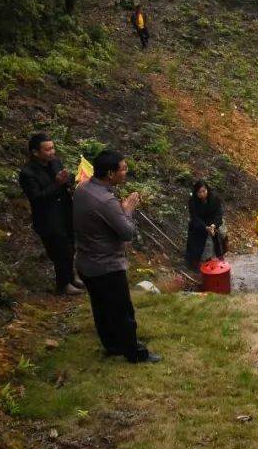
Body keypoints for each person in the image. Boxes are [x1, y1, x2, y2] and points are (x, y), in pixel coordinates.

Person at [73, 149, 159, 363]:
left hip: (86, 262)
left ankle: (111, 345)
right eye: (123, 169)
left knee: (101, 308)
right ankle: (134, 352)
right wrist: (127, 209)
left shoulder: (82, 189)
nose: (126, 172)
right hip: (107, 266)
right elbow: (127, 232)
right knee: (123, 311)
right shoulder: (105, 201)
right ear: (110, 174)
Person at [19, 133, 82, 295]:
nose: (52, 152)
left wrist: (70, 181)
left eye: (52, 148)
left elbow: (64, 182)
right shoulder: (28, 173)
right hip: (48, 218)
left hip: (65, 212)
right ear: (35, 152)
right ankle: (63, 285)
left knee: (70, 246)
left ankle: (71, 277)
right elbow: (37, 198)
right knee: (59, 250)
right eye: (47, 150)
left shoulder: (56, 162)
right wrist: (57, 183)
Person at [185, 180, 226, 270]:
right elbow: (194, 217)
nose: (202, 194)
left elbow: (219, 213)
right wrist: (204, 227)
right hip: (199, 224)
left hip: (213, 222)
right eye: (199, 192)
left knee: (218, 236)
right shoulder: (193, 202)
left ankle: (219, 258)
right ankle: (195, 261)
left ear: (207, 190)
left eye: (204, 191)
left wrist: (214, 225)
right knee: (196, 241)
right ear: (196, 193)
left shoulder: (214, 198)